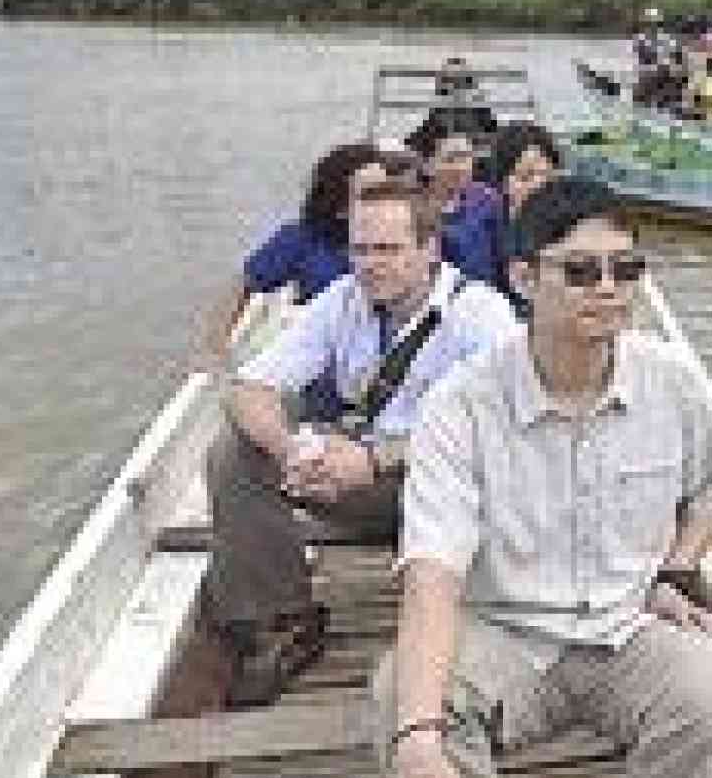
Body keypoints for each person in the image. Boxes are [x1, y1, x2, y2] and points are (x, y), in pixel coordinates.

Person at [379, 176, 712, 778]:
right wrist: (416, 737)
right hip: (502, 635)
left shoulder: (672, 382)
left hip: (623, 627)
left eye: (625, 268)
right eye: (580, 271)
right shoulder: (461, 408)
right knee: (400, 702)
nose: (608, 288)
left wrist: (674, 571)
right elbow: (432, 577)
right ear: (522, 279)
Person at [205, 183, 519, 707]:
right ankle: (283, 617)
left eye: (389, 250)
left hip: (452, 491)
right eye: (360, 250)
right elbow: (250, 388)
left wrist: (375, 460)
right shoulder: (342, 300)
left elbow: (501, 424)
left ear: (429, 248)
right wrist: (292, 452)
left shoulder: (481, 316)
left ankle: (486, 618)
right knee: (234, 452)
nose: (371, 265)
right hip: (364, 479)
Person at [205, 142, 393, 358]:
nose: (384, 202)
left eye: (387, 191)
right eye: (371, 195)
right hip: (322, 350)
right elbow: (241, 286)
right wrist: (216, 349)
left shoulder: (411, 237)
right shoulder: (303, 238)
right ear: (340, 203)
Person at [483, 121, 563, 315]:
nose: (538, 186)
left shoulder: (572, 229)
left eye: (546, 176)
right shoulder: (481, 233)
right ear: (502, 182)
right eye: (525, 177)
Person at [429, 131, 506, 291]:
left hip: (481, 293)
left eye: (465, 158)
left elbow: (501, 255)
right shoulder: (418, 205)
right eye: (450, 159)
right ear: (430, 164)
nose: (459, 167)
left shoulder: (489, 201)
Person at [407, 57, 500, 157]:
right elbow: (417, 141)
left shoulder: (481, 110)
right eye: (446, 80)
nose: (449, 85)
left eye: (454, 81)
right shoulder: (438, 111)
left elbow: (492, 140)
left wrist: (470, 146)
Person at [631, 8, 686, 111]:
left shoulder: (668, 39)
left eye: (656, 24)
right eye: (650, 24)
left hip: (665, 76)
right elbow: (642, 61)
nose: (653, 26)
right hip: (649, 76)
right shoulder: (640, 39)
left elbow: (677, 59)